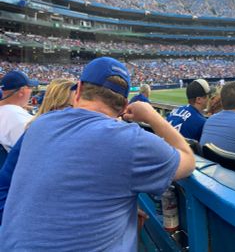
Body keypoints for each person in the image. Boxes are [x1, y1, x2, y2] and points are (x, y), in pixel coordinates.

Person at [0, 57, 195, 251]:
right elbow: (188, 160)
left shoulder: (40, 124)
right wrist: (151, 115)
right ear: (124, 105)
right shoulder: (131, 140)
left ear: (78, 91)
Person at [0, 78, 75, 222]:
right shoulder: (36, 133)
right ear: (57, 106)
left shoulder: (38, 128)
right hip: (30, 221)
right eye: (73, 106)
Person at [0, 71, 38, 151]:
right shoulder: (20, 118)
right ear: (22, 92)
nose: (31, 91)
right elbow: (34, 152)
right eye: (30, 87)